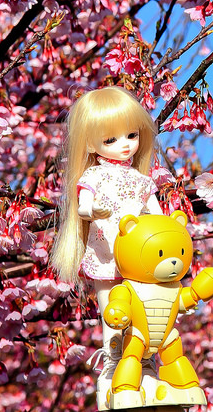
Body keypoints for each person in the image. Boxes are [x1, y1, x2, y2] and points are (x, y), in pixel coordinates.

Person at [50, 86, 162, 371]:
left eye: (132, 135)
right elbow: (83, 208)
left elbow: (157, 214)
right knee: (110, 310)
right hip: (105, 251)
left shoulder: (141, 180)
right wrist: (92, 211)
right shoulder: (93, 176)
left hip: (138, 252)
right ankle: (112, 361)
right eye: (111, 139)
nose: (125, 144)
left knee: (142, 309)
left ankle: (143, 359)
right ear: (90, 144)